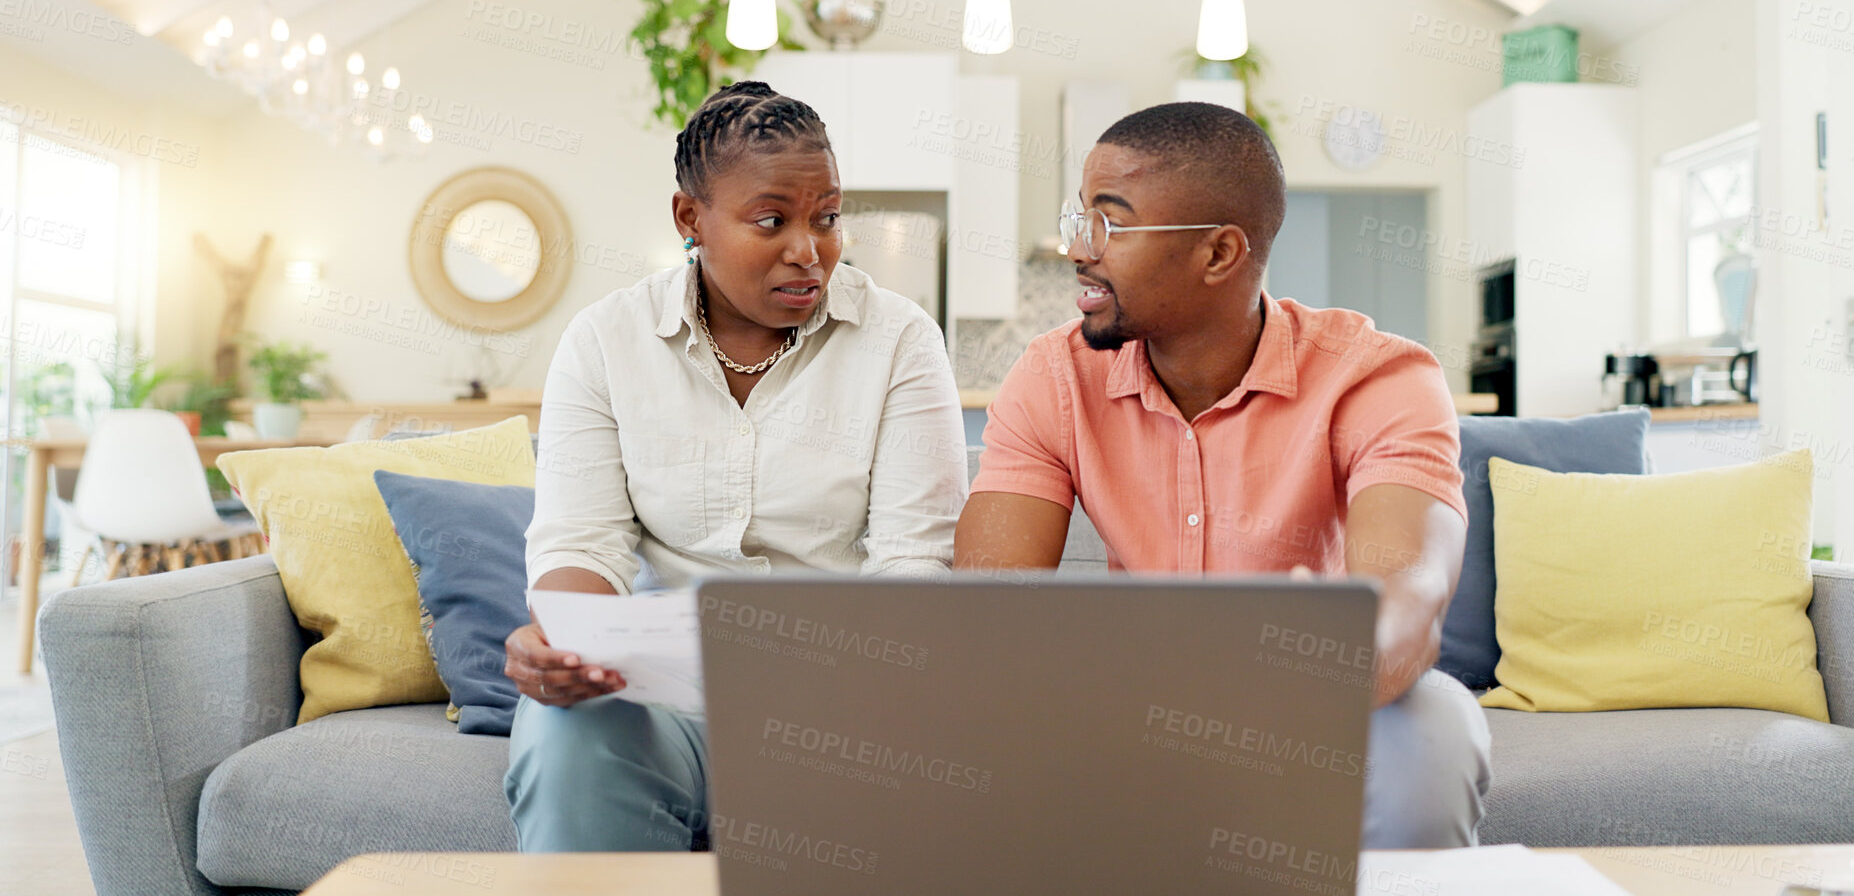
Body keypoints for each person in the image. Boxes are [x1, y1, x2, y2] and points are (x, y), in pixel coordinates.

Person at [954, 101, 1490, 849]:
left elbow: (1411, 601)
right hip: (1127, 690)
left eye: (1107, 223)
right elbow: (987, 613)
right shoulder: (1052, 377)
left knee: (1436, 728)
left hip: (1319, 690)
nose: (1078, 248)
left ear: (1217, 254)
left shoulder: (1378, 376)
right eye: (1079, 218)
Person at [502, 80, 967, 852]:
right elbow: (580, 542)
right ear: (691, 219)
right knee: (568, 738)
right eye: (771, 220)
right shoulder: (604, 340)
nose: (808, 249)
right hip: (652, 698)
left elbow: (913, 559)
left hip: (845, 698)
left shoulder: (900, 340)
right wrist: (564, 641)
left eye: (827, 218)